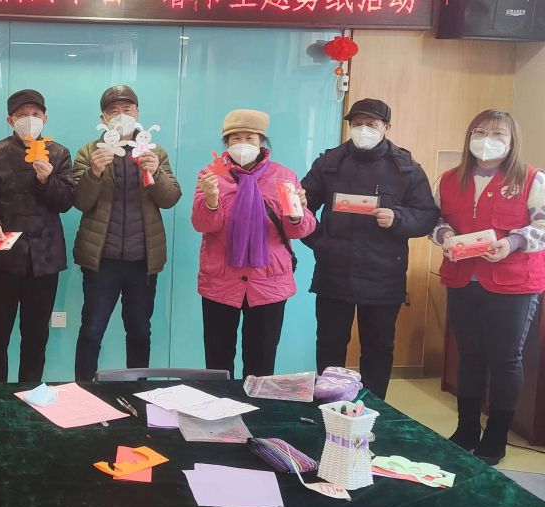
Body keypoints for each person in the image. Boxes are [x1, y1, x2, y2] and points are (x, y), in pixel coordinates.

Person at [300, 98, 438, 399]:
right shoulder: (329, 163)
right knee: (329, 345)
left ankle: (373, 412)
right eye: (357, 123)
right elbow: (300, 210)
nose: (363, 129)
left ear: (386, 128)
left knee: (378, 349)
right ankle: (327, 407)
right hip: (334, 273)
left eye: (371, 124)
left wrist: (398, 218)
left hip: (383, 276)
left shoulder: (406, 168)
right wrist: (320, 243)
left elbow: (427, 216)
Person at [431, 110, 544, 465]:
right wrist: (445, 235)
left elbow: (543, 225)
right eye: (479, 132)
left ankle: (496, 438)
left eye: (498, 134)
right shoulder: (450, 179)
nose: (487, 139)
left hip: (513, 284)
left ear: (512, 142)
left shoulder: (531, 178)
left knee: (505, 359)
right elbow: (433, 219)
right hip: (462, 279)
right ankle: (466, 430)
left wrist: (512, 243)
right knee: (469, 355)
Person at [192, 110, 316, 378]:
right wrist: (211, 200)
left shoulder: (284, 176)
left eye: (249, 138)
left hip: (268, 282)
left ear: (261, 141)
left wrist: (297, 213)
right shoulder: (211, 175)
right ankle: (219, 404)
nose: (242, 144)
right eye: (235, 138)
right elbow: (202, 224)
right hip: (221, 282)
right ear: (226, 143)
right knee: (218, 363)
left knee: (261, 364)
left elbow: (300, 230)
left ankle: (257, 404)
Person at [70, 86, 181, 381]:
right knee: (92, 329)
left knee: (140, 330)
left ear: (138, 113)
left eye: (127, 110)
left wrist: (156, 173)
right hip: (101, 259)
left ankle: (137, 391)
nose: (121, 116)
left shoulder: (154, 152)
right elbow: (79, 201)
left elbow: (170, 199)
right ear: (103, 119)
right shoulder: (89, 152)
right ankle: (84, 391)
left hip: (142, 260)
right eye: (113, 111)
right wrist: (94, 172)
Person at [0, 89, 75, 383]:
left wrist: (47, 179)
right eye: (22, 115)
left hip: (44, 259)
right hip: (2, 258)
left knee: (36, 338)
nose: (30, 119)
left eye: (35, 114)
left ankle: (30, 395)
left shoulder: (59, 154)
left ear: (45, 119)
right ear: (10, 120)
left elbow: (66, 202)